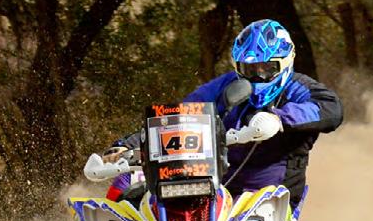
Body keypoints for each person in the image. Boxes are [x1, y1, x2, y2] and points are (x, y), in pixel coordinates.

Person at [104, 19, 343, 209]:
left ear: (286, 61)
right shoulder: (225, 85)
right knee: (130, 185)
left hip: (272, 196)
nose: (257, 76)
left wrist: (279, 119)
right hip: (213, 185)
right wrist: (128, 145)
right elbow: (181, 115)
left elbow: (331, 108)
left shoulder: (299, 88)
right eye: (249, 69)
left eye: (266, 68)